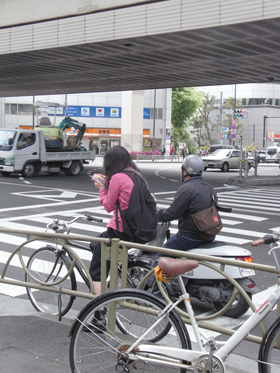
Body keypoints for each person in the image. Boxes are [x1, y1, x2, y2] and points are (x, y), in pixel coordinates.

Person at [86, 146, 147, 331]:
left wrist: (102, 188)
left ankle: (99, 315)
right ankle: (112, 274)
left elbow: (108, 205)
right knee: (94, 244)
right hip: (135, 231)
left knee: (95, 271)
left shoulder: (118, 178)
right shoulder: (137, 175)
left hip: (119, 231)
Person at [157, 155, 217, 252]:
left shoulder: (186, 189)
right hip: (209, 235)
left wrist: (157, 213)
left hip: (190, 237)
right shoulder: (210, 188)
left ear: (185, 172)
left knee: (162, 255)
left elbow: (173, 213)